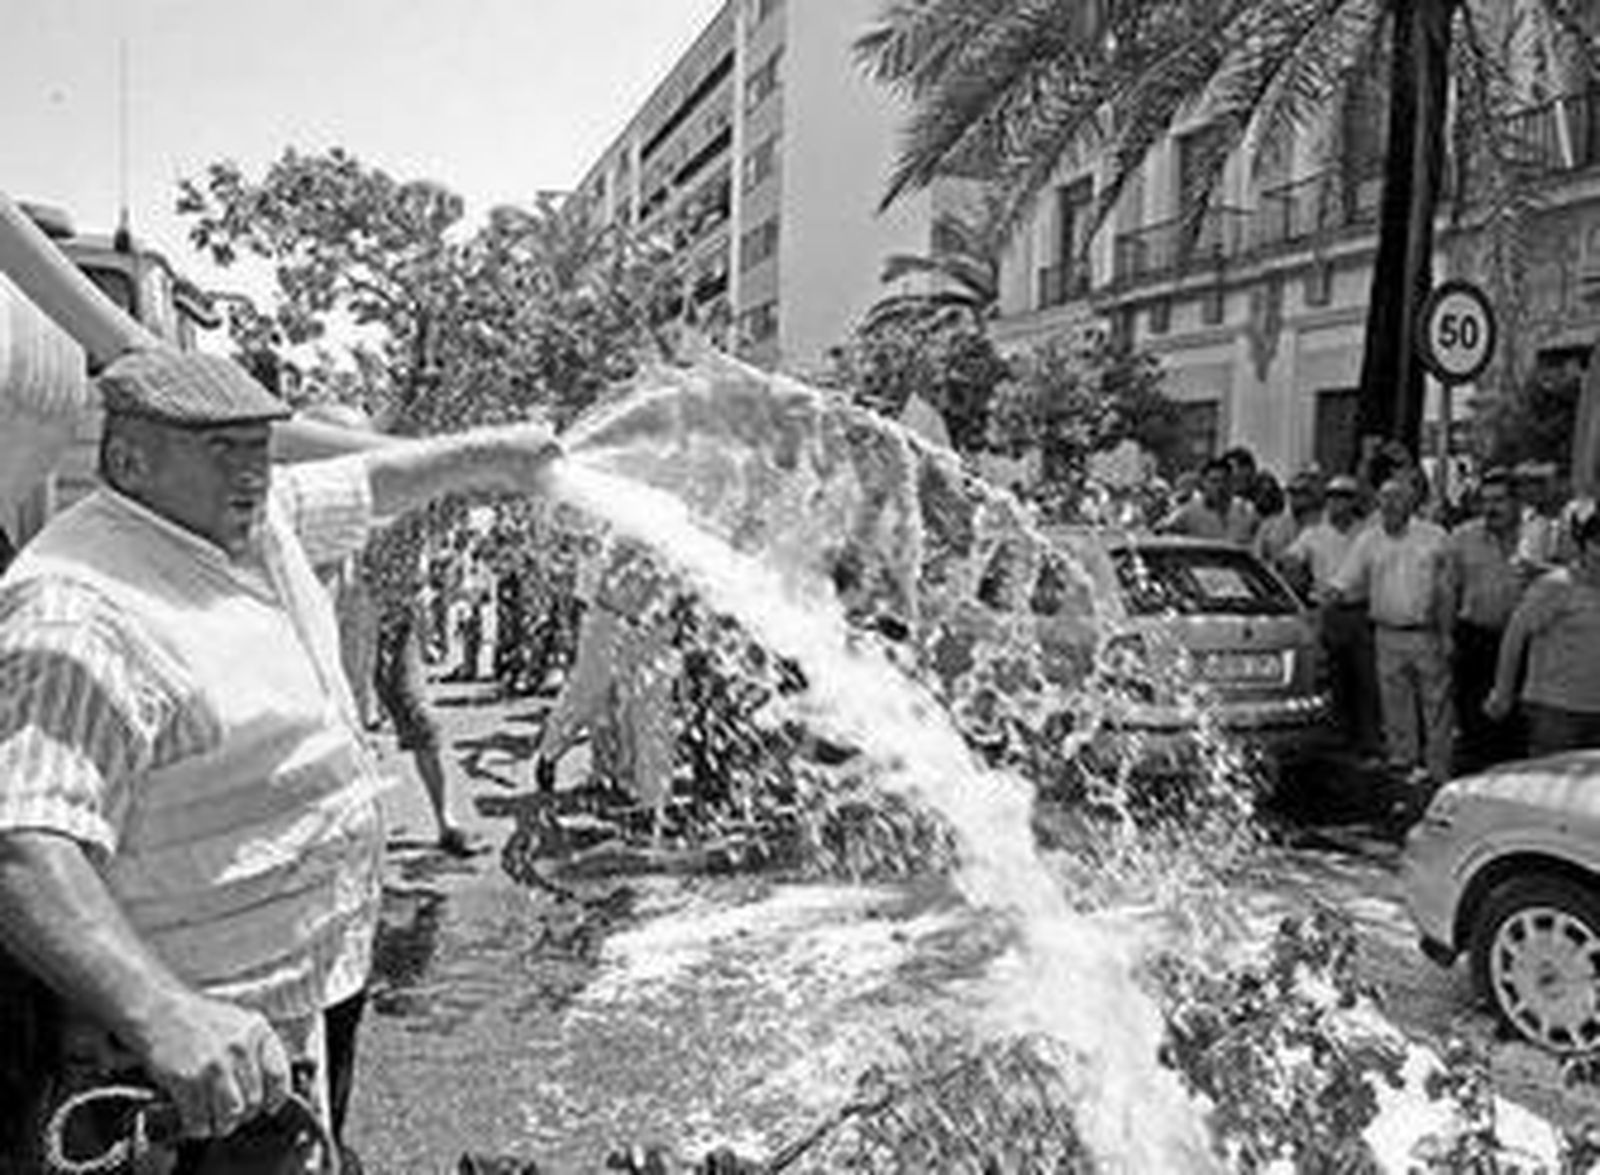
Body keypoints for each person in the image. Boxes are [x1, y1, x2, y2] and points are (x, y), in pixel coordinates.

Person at [0, 347, 560, 1171]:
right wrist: (161, 1013)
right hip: (187, 1050)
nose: (253, 466)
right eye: (220, 446)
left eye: (260, 442)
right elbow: (23, 848)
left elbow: (376, 485)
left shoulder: (247, 523)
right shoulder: (81, 613)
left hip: (299, 997)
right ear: (129, 460)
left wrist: (499, 457)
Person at [530, 537, 680, 828]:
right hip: (609, 620)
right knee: (586, 696)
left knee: (652, 715)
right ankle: (549, 754)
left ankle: (654, 803)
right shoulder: (630, 517)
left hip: (655, 628)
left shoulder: (683, 518)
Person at [1330, 474, 1453, 789]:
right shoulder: (1368, 539)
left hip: (1426, 633)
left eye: (1397, 497)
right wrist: (1327, 598)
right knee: (1394, 703)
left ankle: (1438, 769)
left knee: (1435, 704)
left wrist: (1447, 634)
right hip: (1386, 633)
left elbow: (1447, 590)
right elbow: (1345, 580)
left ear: (1411, 503)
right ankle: (1403, 763)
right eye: (1384, 498)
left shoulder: (1435, 536)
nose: (1389, 504)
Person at [1487, 501, 1600, 756]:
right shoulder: (1555, 587)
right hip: (1556, 712)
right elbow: (1515, 636)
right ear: (1585, 546)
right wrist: (1503, 691)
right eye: (1597, 545)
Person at [1283, 474, 1383, 763]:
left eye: (1345, 497)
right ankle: (1338, 739)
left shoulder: (1367, 531)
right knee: (1335, 677)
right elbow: (1290, 559)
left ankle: (1367, 740)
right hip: (1329, 612)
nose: (1338, 503)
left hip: (1361, 610)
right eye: (1334, 497)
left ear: (1354, 502)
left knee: (1365, 678)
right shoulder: (1314, 533)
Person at [1445, 468, 1529, 773]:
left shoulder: (1537, 535)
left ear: (1517, 503)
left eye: (1500, 500)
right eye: (1485, 501)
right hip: (1475, 639)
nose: (1491, 508)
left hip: (1524, 643)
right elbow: (1448, 590)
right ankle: (1476, 784)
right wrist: (1446, 638)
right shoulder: (1463, 537)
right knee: (1473, 720)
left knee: (1516, 722)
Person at [1158, 456, 1257, 544]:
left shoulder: (1246, 510)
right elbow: (1161, 532)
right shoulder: (1190, 511)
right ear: (1203, 483)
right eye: (1214, 481)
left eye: (1225, 480)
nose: (1220, 486)